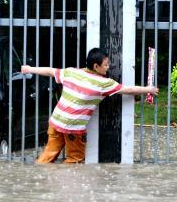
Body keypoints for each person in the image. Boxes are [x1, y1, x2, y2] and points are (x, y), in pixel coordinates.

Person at [21, 48, 158, 163]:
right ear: (96, 66)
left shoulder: (72, 72)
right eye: (106, 64)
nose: (108, 67)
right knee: (74, 160)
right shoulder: (103, 83)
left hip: (56, 121)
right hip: (72, 128)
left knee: (47, 157)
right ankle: (65, 189)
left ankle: (39, 181)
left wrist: (29, 69)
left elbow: (50, 71)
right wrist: (148, 90)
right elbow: (128, 90)